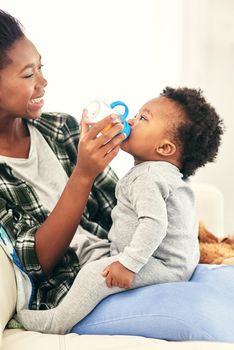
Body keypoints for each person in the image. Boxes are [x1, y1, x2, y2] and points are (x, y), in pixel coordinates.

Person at [17, 84, 223, 334]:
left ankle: (56, 323)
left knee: (95, 274)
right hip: (157, 256)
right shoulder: (161, 173)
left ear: (165, 148)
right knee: (87, 247)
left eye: (143, 118)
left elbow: (154, 224)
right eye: (136, 114)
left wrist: (128, 264)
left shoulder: (148, 176)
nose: (132, 120)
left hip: (161, 264)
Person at [0, 9, 125, 317]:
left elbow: (121, 210)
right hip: (72, 296)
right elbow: (37, 262)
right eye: (29, 74)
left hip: (123, 268)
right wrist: (83, 174)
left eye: (40, 67)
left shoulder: (61, 130)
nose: (43, 82)